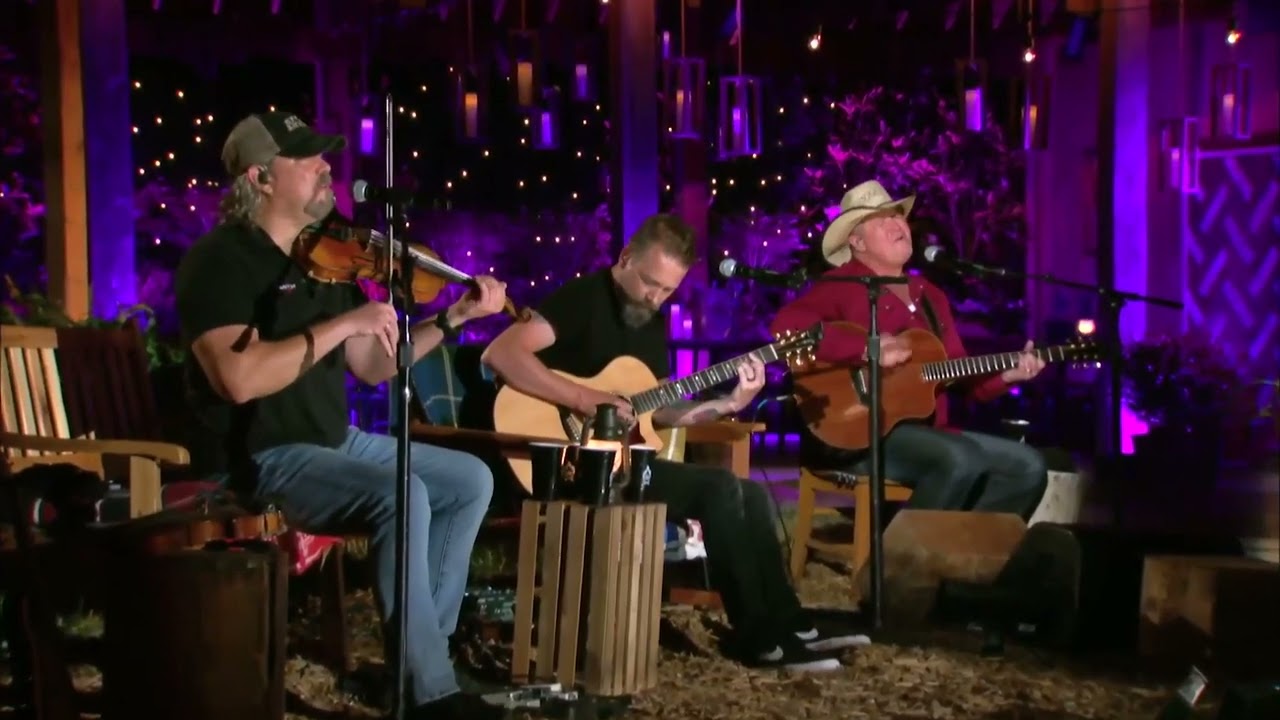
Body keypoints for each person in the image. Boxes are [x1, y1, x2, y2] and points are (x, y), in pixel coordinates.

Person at [174, 110, 511, 719]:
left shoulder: (324, 254)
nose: (327, 166)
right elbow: (238, 379)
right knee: (400, 493)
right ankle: (431, 694)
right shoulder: (219, 261)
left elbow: (374, 365)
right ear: (261, 177)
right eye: (306, 158)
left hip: (334, 441)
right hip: (259, 457)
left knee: (470, 480)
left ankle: (418, 668)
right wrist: (343, 323)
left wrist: (454, 319)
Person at [482, 214, 866, 672]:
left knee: (751, 493)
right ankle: (756, 637)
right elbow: (499, 354)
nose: (655, 297)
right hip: (562, 461)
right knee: (719, 488)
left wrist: (728, 402)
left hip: (620, 463)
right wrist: (586, 399)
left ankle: (789, 624)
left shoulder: (651, 321)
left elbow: (658, 409)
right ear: (625, 257)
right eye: (649, 283)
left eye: (668, 290)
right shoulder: (584, 298)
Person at [769, 180, 1049, 521]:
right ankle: (905, 566)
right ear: (856, 242)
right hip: (860, 436)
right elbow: (786, 329)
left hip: (930, 434)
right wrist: (867, 348)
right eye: (882, 219)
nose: (897, 224)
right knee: (960, 458)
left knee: (1027, 466)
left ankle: (964, 559)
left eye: (899, 217)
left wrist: (1007, 375)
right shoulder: (838, 286)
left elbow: (957, 374)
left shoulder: (930, 295)